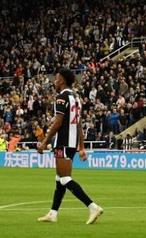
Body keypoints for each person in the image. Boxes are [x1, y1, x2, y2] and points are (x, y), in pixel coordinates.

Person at [37, 69, 104, 225]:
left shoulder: (62, 97)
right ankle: (53, 213)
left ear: (62, 81)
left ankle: (92, 207)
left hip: (64, 142)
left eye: (57, 78)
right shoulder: (76, 98)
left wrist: (45, 142)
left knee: (65, 178)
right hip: (72, 143)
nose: (55, 81)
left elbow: (58, 122)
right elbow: (79, 123)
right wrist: (81, 147)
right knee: (59, 178)